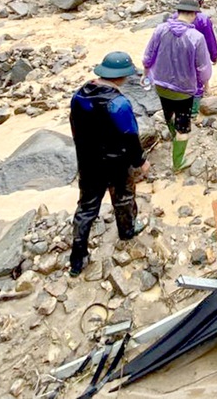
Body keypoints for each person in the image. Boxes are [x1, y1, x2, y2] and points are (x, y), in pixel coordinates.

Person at [68, 52, 150, 278]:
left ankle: (78, 257)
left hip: (88, 162)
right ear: (121, 76)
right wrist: (140, 161)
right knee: (123, 197)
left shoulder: (79, 96)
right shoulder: (119, 103)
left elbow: (75, 127)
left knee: (86, 207)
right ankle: (127, 231)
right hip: (116, 162)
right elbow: (130, 135)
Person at [143, 0, 213, 171]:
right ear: (194, 14)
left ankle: (172, 133)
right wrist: (205, 83)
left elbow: (148, 54)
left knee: (168, 113)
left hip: (160, 83)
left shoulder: (160, 29)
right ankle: (178, 163)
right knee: (184, 125)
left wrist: (146, 72)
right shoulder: (196, 37)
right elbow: (203, 66)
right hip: (184, 88)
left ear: (178, 11)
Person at [182, 0, 217, 117]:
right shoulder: (202, 19)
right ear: (201, 2)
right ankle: (193, 111)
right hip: (197, 56)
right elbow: (210, 40)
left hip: (178, 56)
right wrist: (214, 56)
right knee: (197, 82)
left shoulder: (175, 16)